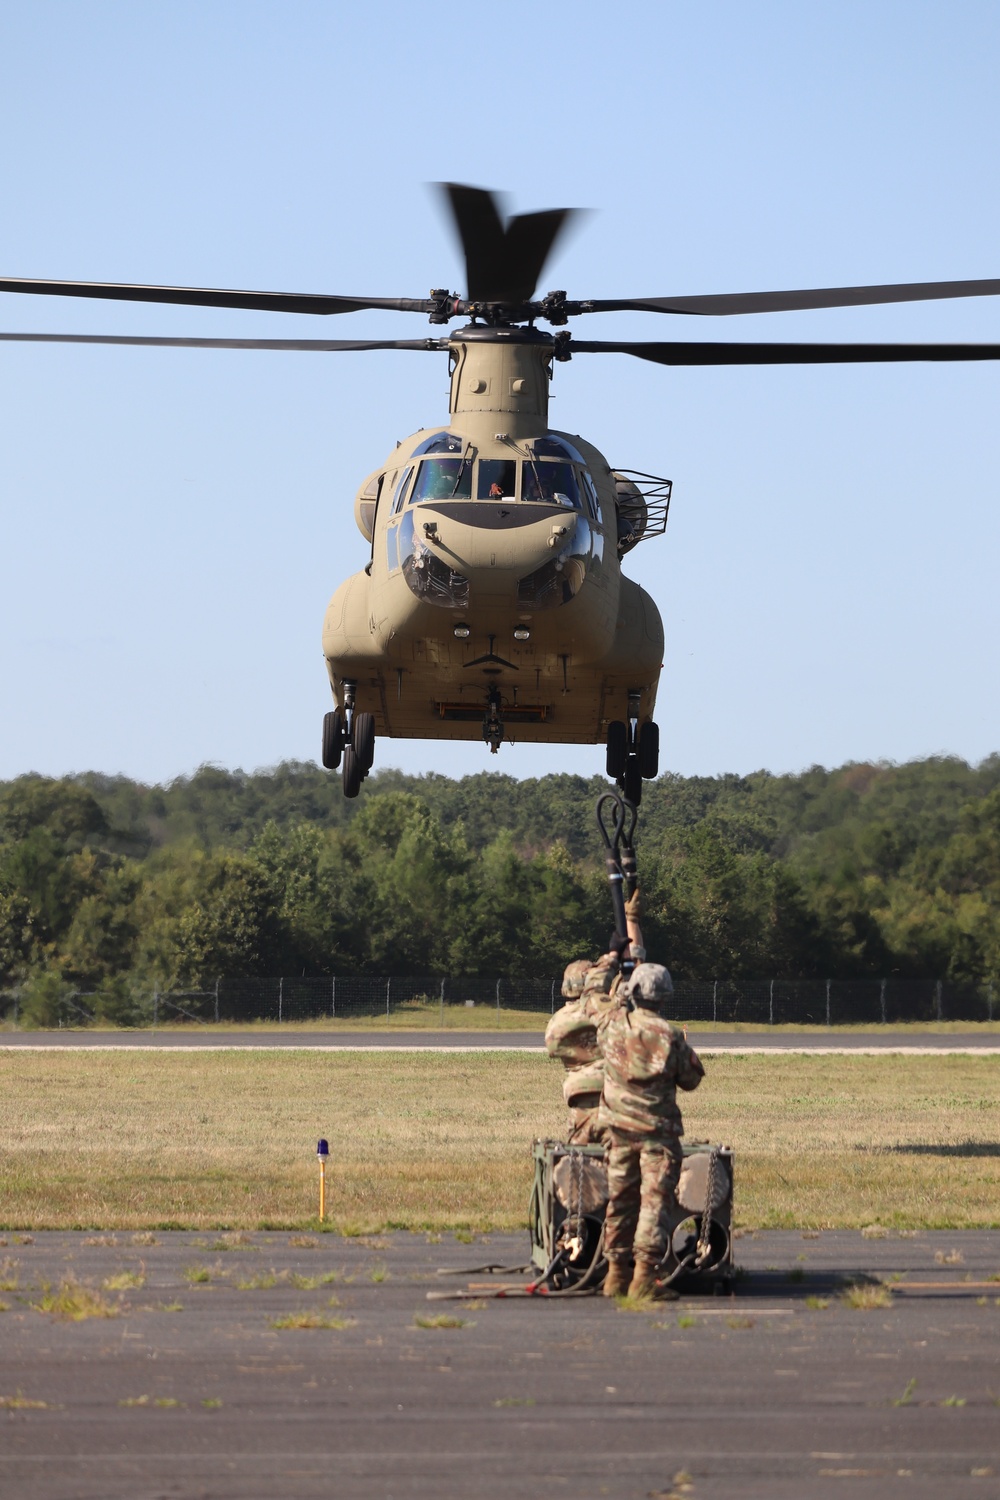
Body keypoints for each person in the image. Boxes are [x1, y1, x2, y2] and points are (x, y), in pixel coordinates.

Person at [596, 962, 705, 1300]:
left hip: (618, 1132)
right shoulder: (669, 1036)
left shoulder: (613, 1026)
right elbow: (692, 1079)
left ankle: (615, 1276)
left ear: (634, 993)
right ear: (665, 996)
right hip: (657, 1135)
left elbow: (603, 1009)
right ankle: (643, 1279)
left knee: (621, 1201)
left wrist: (618, 990)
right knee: (654, 1204)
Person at [543, 889, 645, 1143]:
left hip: (582, 1110)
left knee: (581, 1167)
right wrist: (631, 921)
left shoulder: (557, 1025)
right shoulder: (608, 1012)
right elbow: (637, 969)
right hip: (618, 1105)